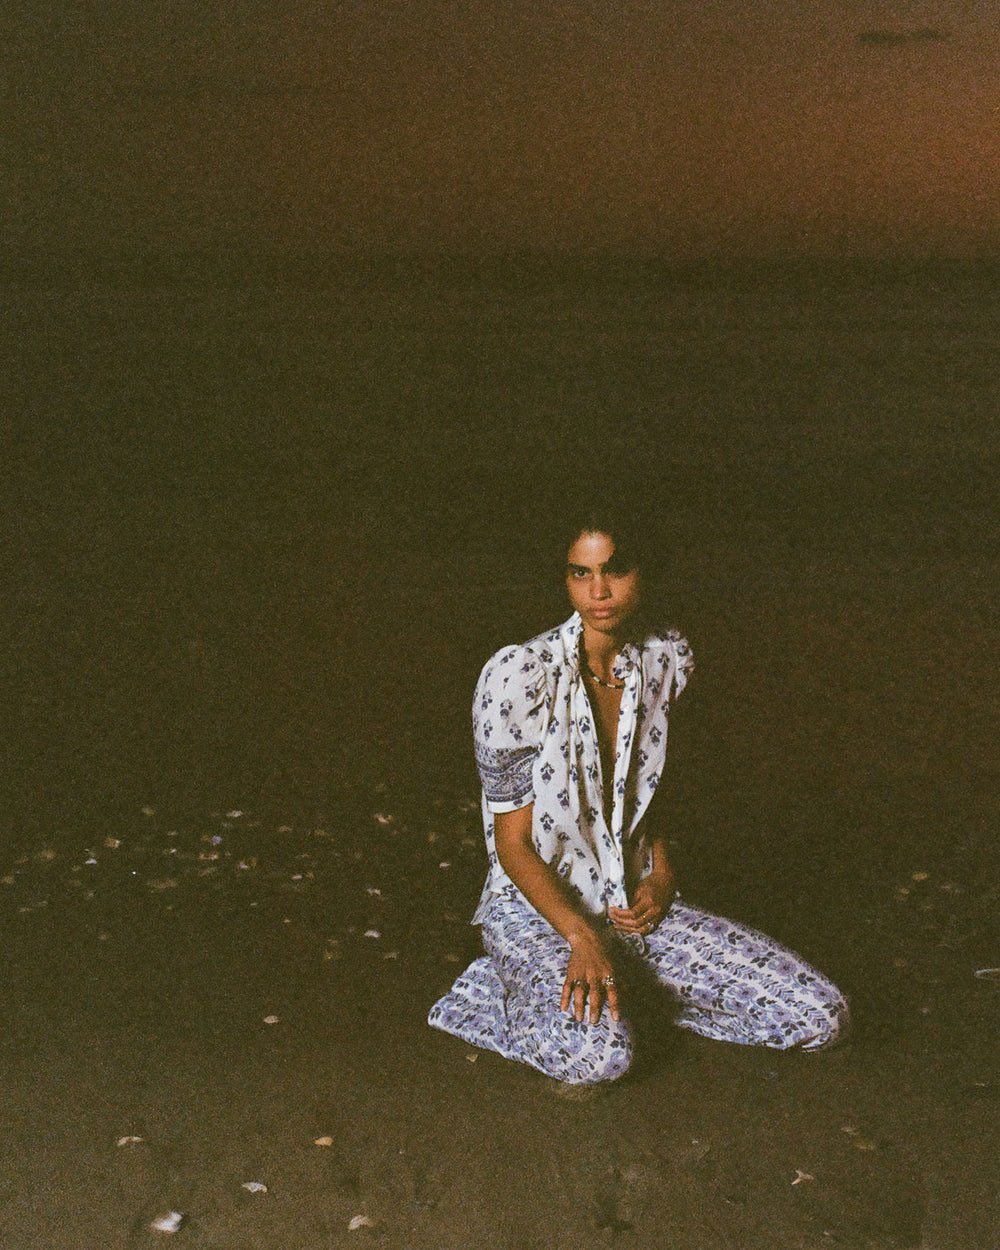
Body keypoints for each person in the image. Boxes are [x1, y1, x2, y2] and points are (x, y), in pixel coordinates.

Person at [428, 508, 849, 1085]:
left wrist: (663, 874)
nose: (598, 592)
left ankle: (630, 999)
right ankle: (491, 993)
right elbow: (513, 844)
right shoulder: (519, 676)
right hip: (540, 911)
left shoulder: (665, 658)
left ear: (643, 571)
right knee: (600, 1057)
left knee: (821, 1017)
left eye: (615, 570)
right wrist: (579, 936)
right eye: (580, 573)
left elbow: (651, 793)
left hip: (628, 908)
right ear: (564, 578)